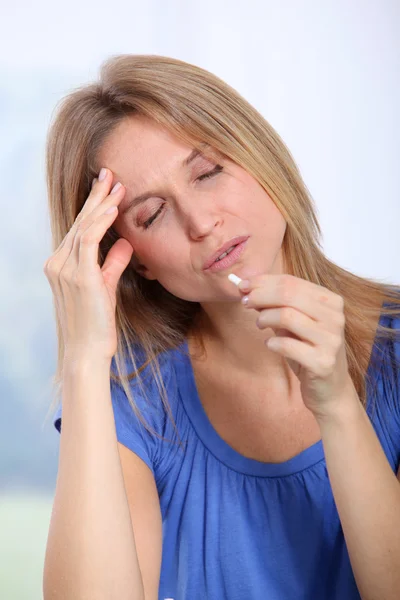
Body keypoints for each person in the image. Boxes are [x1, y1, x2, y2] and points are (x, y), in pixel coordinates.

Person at [42, 54, 400, 600]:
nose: (202, 223)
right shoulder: (136, 399)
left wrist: (337, 406)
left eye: (208, 172)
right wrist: (83, 360)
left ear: (259, 155)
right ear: (134, 260)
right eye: (152, 214)